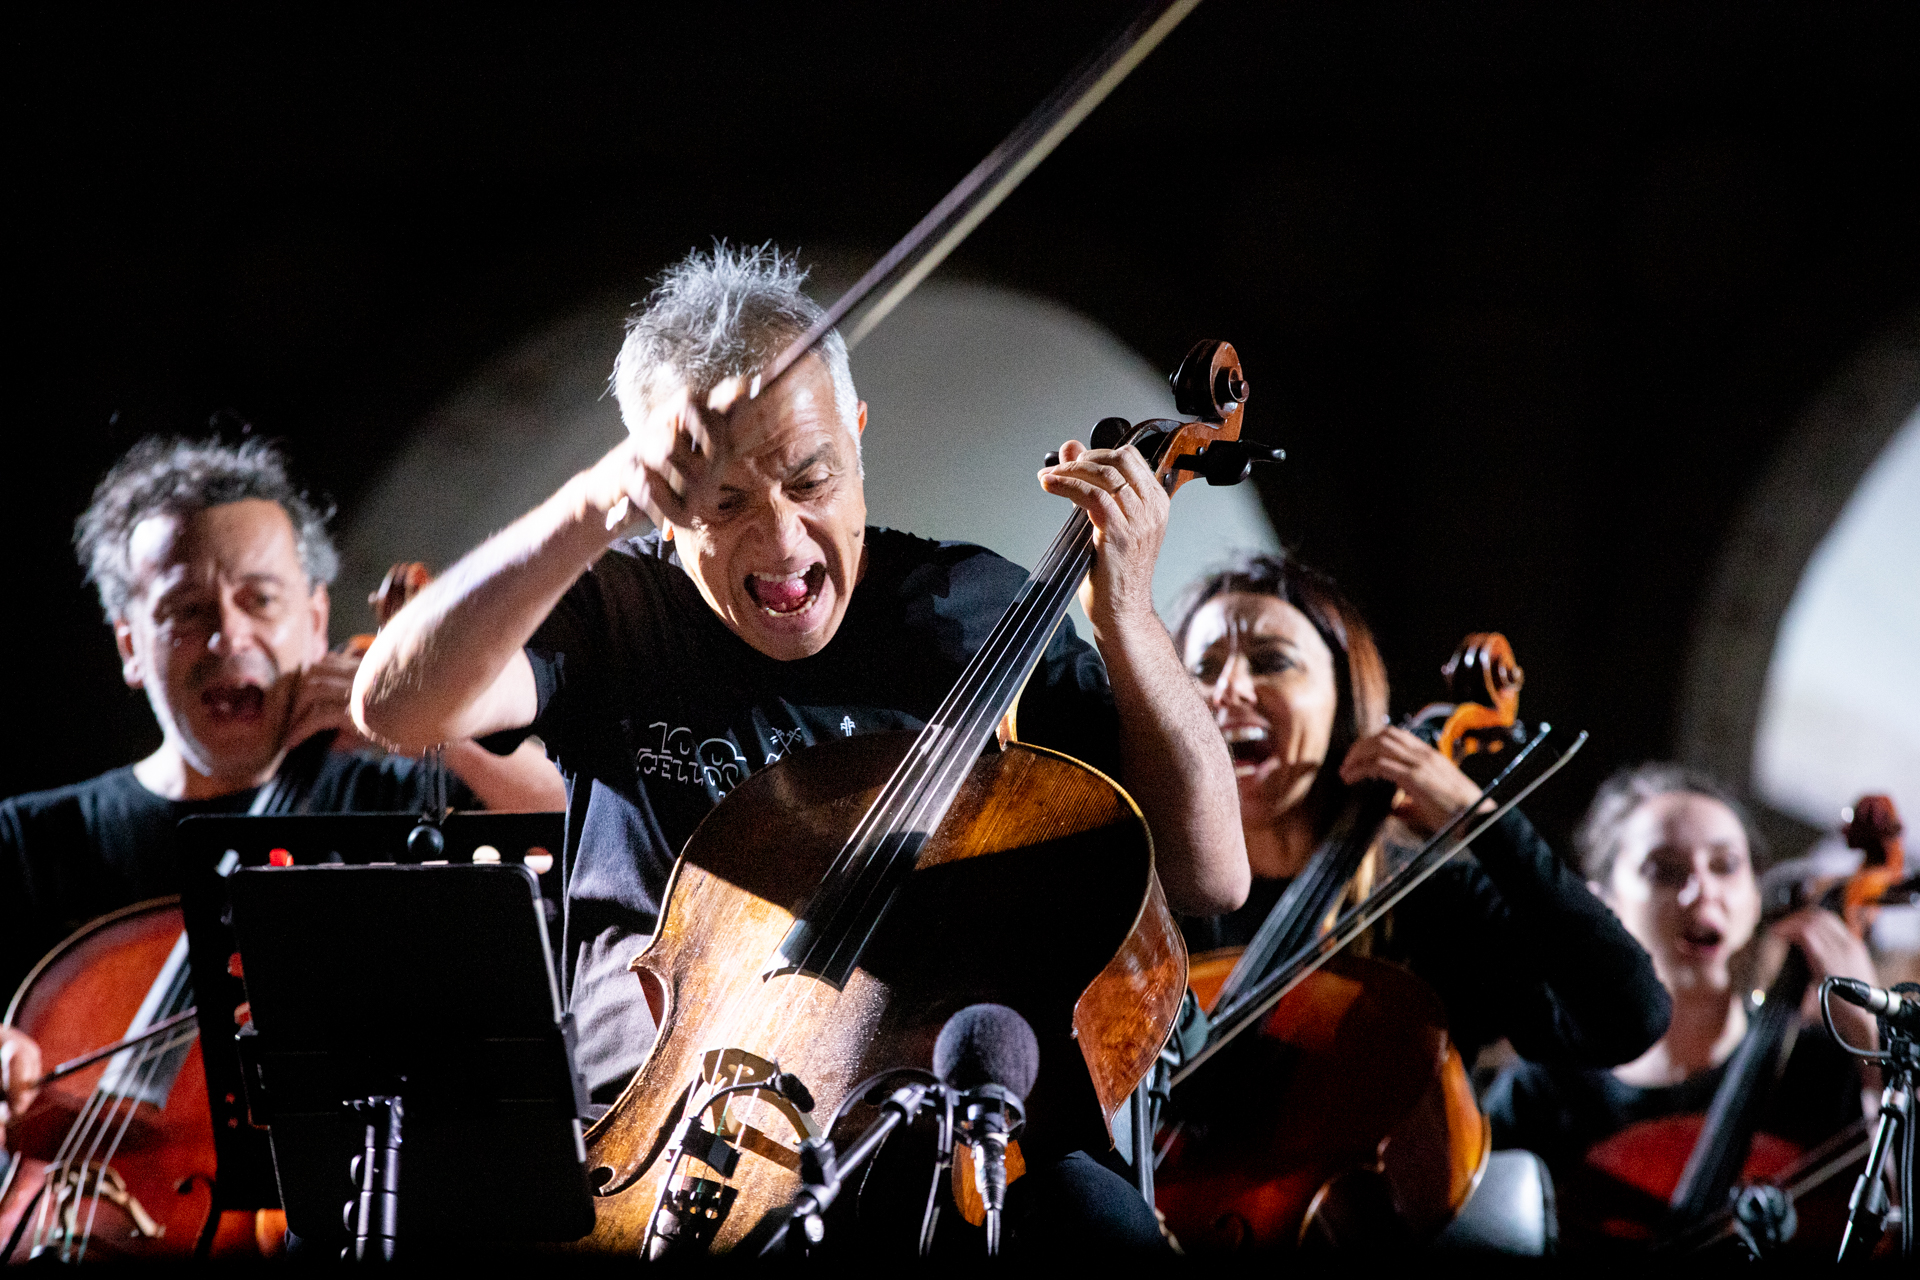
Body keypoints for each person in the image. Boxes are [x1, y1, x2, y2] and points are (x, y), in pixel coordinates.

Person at [351, 242, 1247, 1251]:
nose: (781, 541)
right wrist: (592, 506)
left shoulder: (976, 609)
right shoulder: (616, 610)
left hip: (921, 1143)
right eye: (725, 502)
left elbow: (1211, 870)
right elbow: (397, 709)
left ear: (858, 437)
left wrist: (1127, 612)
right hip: (655, 1148)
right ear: (664, 490)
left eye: (811, 478)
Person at [0, 434, 566, 1150]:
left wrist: (426, 718)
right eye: (185, 611)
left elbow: (573, 823)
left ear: (316, 619)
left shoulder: (398, 796)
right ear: (129, 648)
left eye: (259, 599)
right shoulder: (30, 842)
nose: (226, 636)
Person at [1170, 551, 1671, 1074]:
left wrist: (1475, 816)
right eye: (1202, 668)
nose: (1227, 690)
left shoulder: (1433, 902)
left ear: (1344, 700)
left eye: (1272, 661)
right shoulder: (1156, 905)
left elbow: (1631, 1018)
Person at [1481, 763, 1880, 1181]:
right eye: (1665, 871)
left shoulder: (1823, 1071)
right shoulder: (1541, 1093)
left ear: (1754, 896)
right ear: (1600, 905)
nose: (1703, 890)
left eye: (1725, 865)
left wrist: (1870, 1036)